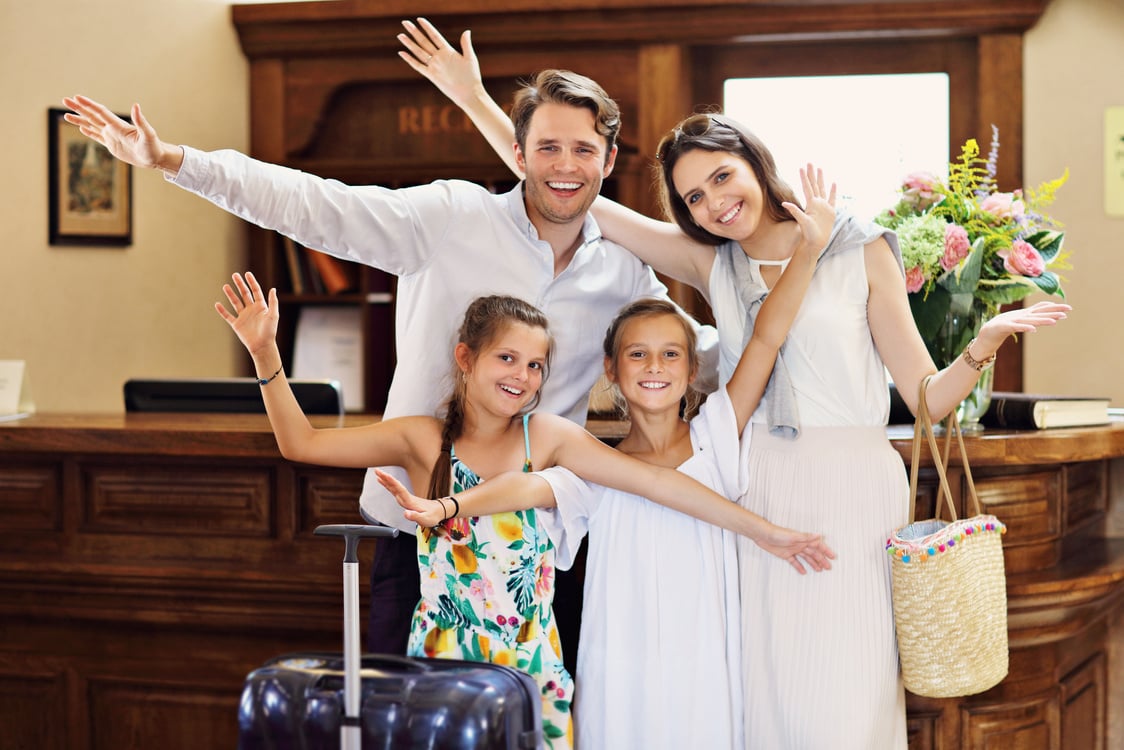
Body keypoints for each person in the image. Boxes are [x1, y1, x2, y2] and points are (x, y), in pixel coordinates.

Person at [395, 18, 1072, 749]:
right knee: (764, 699)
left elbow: (929, 399)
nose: (714, 203)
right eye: (692, 198)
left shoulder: (860, 246)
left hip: (855, 483)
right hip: (755, 480)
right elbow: (572, 186)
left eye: (721, 177)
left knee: (848, 692)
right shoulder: (716, 264)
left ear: (753, 161)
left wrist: (981, 347)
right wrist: (473, 99)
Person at [61, 73, 720, 665]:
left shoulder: (625, 269)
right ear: (517, 154)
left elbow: (693, 355)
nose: (565, 167)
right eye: (548, 147)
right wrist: (172, 159)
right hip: (416, 535)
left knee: (531, 731)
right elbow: (314, 205)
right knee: (405, 723)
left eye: (582, 150)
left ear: (608, 158)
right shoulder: (450, 215)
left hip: (538, 551)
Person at [216, 275, 832, 749]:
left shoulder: (551, 438)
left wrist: (768, 534)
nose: (523, 376)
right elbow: (302, 445)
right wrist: (266, 355)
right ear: (466, 359)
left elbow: (655, 483)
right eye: (507, 359)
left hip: (531, 665)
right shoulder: (420, 439)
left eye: (535, 365)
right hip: (441, 660)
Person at [376, 162, 834, 748]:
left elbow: (767, 337)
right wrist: (450, 506)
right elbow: (523, 487)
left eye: (671, 355)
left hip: (705, 663)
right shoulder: (590, 464)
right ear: (610, 371)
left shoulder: (718, 433)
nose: (654, 368)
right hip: (619, 667)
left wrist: (810, 251)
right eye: (638, 355)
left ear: (694, 371)